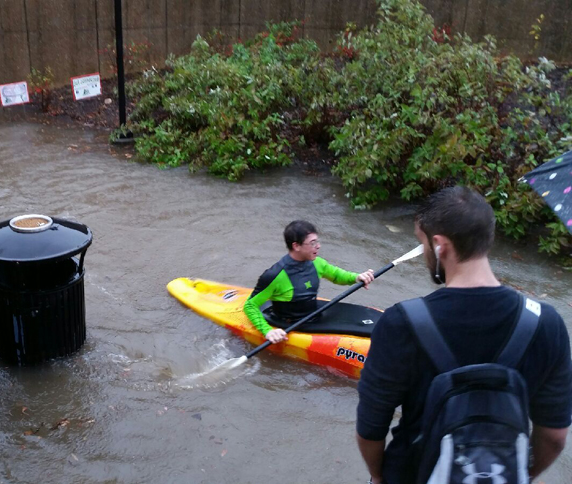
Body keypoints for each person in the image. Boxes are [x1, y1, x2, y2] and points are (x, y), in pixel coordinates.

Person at [356, 186, 572, 484]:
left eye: (423, 245)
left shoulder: (400, 323)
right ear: (488, 237)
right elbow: (555, 436)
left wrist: (378, 477)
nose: (424, 256)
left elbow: (370, 427)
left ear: (440, 245)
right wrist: (523, 474)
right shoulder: (547, 323)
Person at [243, 220, 375, 343]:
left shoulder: (316, 263)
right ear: (296, 246)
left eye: (317, 241)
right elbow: (250, 306)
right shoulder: (275, 275)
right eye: (312, 243)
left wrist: (357, 277)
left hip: (313, 314)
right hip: (289, 322)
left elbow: (336, 275)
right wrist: (268, 331)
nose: (318, 246)